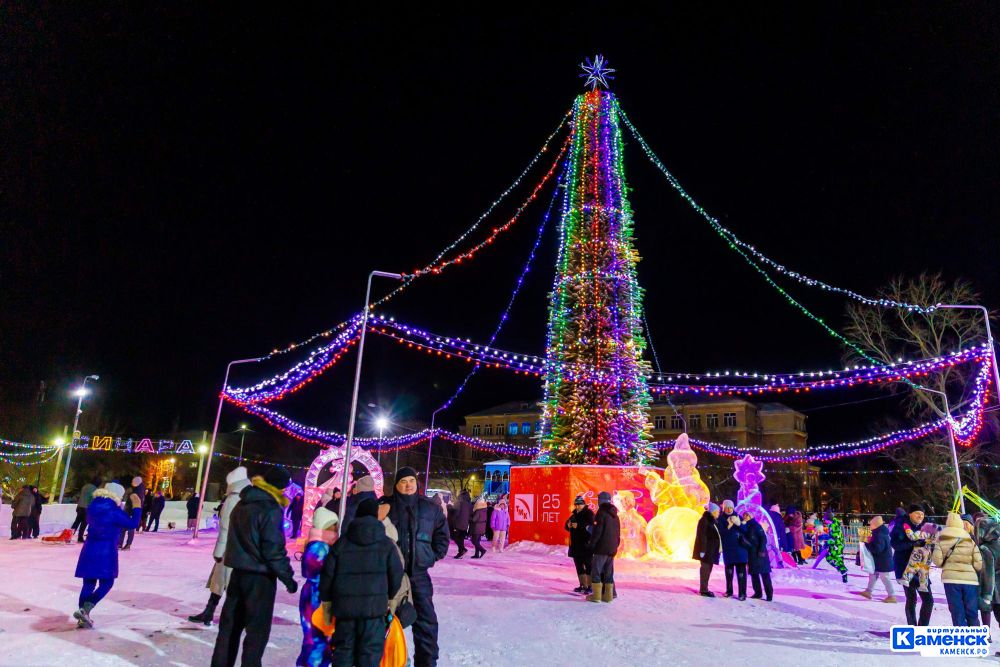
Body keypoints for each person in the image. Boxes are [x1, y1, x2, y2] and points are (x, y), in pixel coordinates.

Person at [211, 467, 298, 667]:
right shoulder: (270, 508)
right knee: (256, 632)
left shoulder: (242, 503)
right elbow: (273, 550)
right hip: (260, 579)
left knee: (229, 629)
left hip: (237, 574)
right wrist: (288, 577)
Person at [378, 467, 449, 667]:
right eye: (403, 481)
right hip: (390, 577)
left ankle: (426, 663)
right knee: (383, 622)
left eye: (411, 480)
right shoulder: (385, 506)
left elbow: (442, 536)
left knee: (426, 624)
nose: (408, 485)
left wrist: (430, 556)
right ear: (396, 485)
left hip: (418, 575)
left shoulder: (430, 508)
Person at [320, 497, 403, 667]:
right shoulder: (387, 545)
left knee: (343, 652)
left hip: (345, 612)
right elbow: (396, 574)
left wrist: (327, 600)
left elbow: (327, 575)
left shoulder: (341, 544)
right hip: (374, 611)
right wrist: (387, 596)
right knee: (370, 655)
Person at [72, 482, 142, 628]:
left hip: (89, 548)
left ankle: (82, 616)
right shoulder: (114, 511)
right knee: (107, 582)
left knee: (88, 583)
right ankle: (86, 609)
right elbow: (133, 524)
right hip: (106, 551)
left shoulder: (93, 507)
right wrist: (137, 506)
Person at [190, 467, 251, 626]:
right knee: (223, 583)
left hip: (229, 549)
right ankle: (210, 612)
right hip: (241, 548)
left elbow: (225, 527)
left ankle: (229, 617)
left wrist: (218, 552)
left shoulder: (233, 499)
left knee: (224, 583)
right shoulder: (247, 498)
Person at [298, 507, 339, 667]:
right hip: (317, 598)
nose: (336, 529)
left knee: (315, 640)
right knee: (317, 640)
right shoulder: (320, 548)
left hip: (314, 596)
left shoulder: (319, 545)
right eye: (334, 525)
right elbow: (320, 573)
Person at [933, 511, 983, 626]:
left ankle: (961, 635)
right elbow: (978, 564)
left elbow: (937, 561)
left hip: (950, 581)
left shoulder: (941, 539)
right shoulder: (970, 540)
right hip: (970, 581)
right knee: (972, 612)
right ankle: (975, 634)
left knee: (957, 613)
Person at [892, 503, 934, 626]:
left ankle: (922, 628)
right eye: (917, 513)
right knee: (912, 599)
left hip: (921, 569)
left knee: (928, 600)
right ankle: (912, 627)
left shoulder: (925, 528)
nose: (920, 516)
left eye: (922, 514)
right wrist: (913, 544)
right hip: (905, 568)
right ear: (910, 514)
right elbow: (895, 545)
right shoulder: (901, 526)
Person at [586, 491, 621, 603]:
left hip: (601, 548)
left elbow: (597, 532)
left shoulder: (601, 513)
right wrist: (615, 546)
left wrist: (591, 545)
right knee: (608, 573)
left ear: (600, 501)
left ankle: (596, 596)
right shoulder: (615, 515)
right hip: (612, 549)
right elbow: (618, 533)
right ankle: (608, 596)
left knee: (596, 572)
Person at [859, 515, 896, 602]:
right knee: (873, 575)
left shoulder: (879, 534)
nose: (870, 526)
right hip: (879, 561)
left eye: (871, 524)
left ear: (875, 525)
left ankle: (892, 596)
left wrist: (867, 543)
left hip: (883, 561)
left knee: (885, 577)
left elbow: (877, 549)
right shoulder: (879, 532)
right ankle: (868, 591)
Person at [717, 499, 748, 600]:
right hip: (728, 550)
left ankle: (742, 593)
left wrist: (739, 524)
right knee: (729, 573)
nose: (729, 509)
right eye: (727, 508)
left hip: (740, 550)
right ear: (724, 508)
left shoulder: (738, 517)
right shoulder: (721, 519)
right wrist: (729, 525)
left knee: (741, 573)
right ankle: (729, 591)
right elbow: (721, 533)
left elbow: (745, 530)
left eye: (731, 507)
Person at [740, 509, 772, 601]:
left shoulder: (756, 525)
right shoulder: (745, 526)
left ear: (751, 516)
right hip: (751, 553)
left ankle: (769, 594)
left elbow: (763, 538)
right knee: (754, 574)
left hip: (759, 553)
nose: (745, 517)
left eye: (747, 515)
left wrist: (761, 550)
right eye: (744, 515)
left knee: (764, 574)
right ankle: (758, 593)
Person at [565, 495, 595, 594]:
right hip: (575, 546)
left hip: (586, 545)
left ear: (584, 504)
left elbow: (591, 527)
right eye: (576, 505)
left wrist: (579, 526)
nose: (577, 506)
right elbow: (566, 525)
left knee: (588, 566)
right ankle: (583, 585)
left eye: (579, 504)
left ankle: (590, 586)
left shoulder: (589, 513)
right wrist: (568, 525)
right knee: (579, 566)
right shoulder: (574, 514)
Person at [693, 502, 721, 597]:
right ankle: (703, 590)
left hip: (711, 550)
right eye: (717, 511)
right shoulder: (705, 520)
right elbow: (702, 536)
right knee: (705, 569)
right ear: (712, 512)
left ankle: (705, 588)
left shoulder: (713, 521)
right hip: (706, 550)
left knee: (708, 569)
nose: (718, 513)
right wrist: (702, 550)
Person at [977, 518, 1000, 629]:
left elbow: (988, 573)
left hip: (993, 589)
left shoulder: (985, 548)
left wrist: (986, 595)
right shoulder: (998, 543)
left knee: (986, 610)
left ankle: (987, 634)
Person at [119, 476, 145, 550]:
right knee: (123, 527)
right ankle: (120, 543)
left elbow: (136, 505)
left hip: (131, 512)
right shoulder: (135, 490)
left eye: (133, 482)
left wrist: (131, 513)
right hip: (129, 511)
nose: (131, 483)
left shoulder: (137, 492)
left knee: (130, 528)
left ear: (137, 483)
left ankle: (127, 544)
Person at [824, 508, 849, 583]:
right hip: (838, 545)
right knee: (837, 559)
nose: (825, 521)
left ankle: (843, 571)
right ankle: (844, 574)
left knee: (830, 558)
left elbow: (834, 537)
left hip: (836, 546)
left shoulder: (833, 525)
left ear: (829, 519)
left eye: (825, 519)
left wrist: (827, 543)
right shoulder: (833, 524)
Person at [72, 478, 100, 543]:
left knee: (77, 522)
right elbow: (92, 499)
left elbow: (80, 496)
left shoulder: (85, 486)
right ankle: (80, 537)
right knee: (84, 523)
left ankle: (69, 535)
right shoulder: (95, 489)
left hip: (80, 506)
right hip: (86, 508)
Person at [451, 489, 472, 559]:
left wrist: (453, 520)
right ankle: (460, 552)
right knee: (461, 539)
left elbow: (456, 513)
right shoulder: (469, 504)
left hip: (458, 523)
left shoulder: (459, 502)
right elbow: (470, 514)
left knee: (454, 537)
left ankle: (462, 549)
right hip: (465, 524)